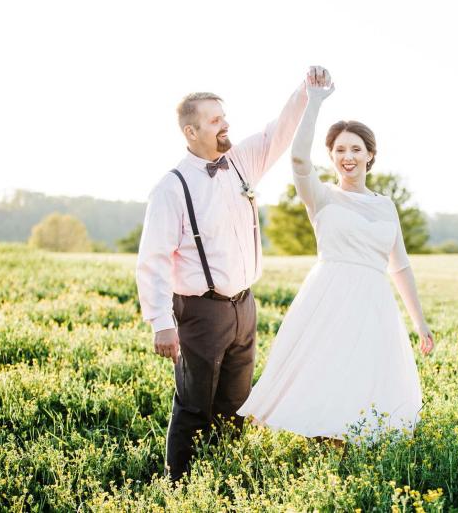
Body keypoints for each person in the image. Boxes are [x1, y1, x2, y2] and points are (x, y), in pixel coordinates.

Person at [135, 67, 327, 481]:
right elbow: (152, 259)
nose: (226, 125)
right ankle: (179, 486)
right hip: (199, 312)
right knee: (193, 404)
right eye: (215, 120)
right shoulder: (172, 187)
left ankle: (221, 477)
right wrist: (160, 323)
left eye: (224, 116)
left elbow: (279, 131)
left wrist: (305, 91)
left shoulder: (241, 162)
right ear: (191, 131)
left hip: (244, 306)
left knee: (237, 403)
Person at [237, 69, 435, 443]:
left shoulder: (386, 206)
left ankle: (349, 444)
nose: (348, 156)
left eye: (356, 148)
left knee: (363, 375)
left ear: (370, 154)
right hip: (329, 295)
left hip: (373, 302)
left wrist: (419, 322)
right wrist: (314, 102)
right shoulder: (322, 196)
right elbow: (297, 160)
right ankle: (322, 443)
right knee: (325, 369)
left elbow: (401, 266)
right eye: (340, 150)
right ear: (331, 156)